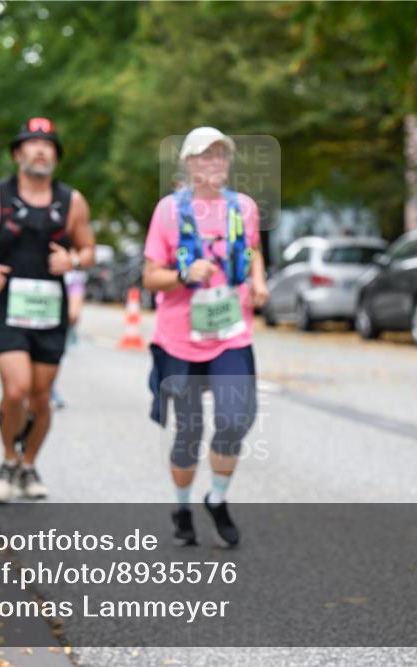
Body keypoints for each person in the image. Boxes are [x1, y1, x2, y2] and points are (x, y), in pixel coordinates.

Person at [142, 127, 269, 548]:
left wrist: (258, 281)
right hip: (179, 337)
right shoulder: (168, 211)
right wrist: (183, 275)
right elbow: (149, 276)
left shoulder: (243, 208)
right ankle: (181, 506)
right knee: (189, 432)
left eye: (220, 155)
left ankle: (216, 498)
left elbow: (252, 252)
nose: (213, 163)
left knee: (235, 420)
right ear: (189, 163)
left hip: (231, 332)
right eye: (204, 156)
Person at [0, 117, 94, 502]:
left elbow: (88, 249)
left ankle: (28, 463)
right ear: (18, 154)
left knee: (41, 397)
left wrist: (74, 261)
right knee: (15, 390)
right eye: (31, 144)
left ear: (56, 156)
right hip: (6, 306)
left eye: (47, 145)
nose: (40, 150)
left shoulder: (72, 202)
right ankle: (6, 458)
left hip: (50, 310)